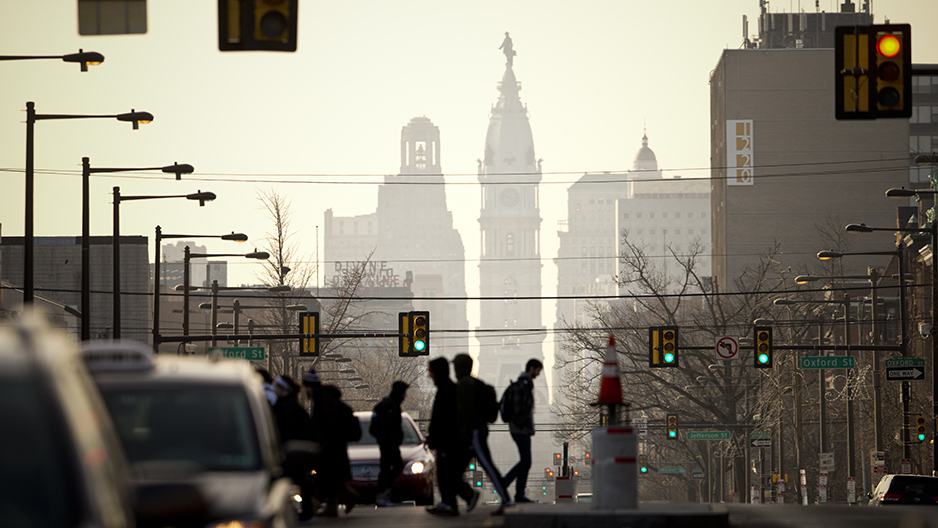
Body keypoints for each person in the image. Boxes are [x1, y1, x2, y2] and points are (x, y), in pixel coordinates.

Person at [453, 353, 512, 513]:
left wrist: (465, 432)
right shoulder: (475, 383)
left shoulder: (465, 384)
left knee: (488, 467)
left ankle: (505, 500)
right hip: (474, 432)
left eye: (456, 366)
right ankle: (469, 495)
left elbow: (466, 412)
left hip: (474, 433)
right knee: (454, 471)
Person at [425, 357, 479, 517]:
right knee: (447, 474)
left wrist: (434, 436)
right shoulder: (447, 388)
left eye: (431, 372)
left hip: (448, 441)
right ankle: (450, 503)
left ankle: (461, 498)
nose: (430, 375)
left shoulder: (447, 390)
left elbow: (443, 419)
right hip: (448, 440)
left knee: (446, 474)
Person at [304, 368, 361, 517]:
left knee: (328, 476)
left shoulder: (323, 399)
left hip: (331, 446)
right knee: (329, 476)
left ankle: (336, 503)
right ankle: (335, 503)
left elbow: (327, 424)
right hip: (334, 444)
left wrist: (322, 441)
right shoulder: (325, 397)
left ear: (309, 386)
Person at [271, 375, 316, 521]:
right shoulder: (290, 405)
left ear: (284, 389)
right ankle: (306, 511)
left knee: (291, 482)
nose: (274, 389)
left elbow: (286, 429)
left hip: (291, 451)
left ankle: (304, 512)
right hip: (293, 450)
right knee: (298, 481)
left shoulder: (286, 407)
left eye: (277, 387)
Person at [501, 359, 543, 503]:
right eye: (537, 370)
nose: (538, 374)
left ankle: (519, 494)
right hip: (519, 429)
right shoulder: (523, 386)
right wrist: (526, 426)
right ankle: (504, 484)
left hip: (520, 429)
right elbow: (520, 411)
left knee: (525, 461)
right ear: (531, 369)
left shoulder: (524, 385)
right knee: (526, 461)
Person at [370, 381, 408, 507]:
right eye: (404, 392)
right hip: (388, 443)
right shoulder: (389, 406)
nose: (405, 396)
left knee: (393, 467)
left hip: (390, 443)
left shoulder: (392, 405)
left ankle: (384, 493)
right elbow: (385, 426)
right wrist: (388, 438)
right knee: (387, 468)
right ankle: (382, 494)